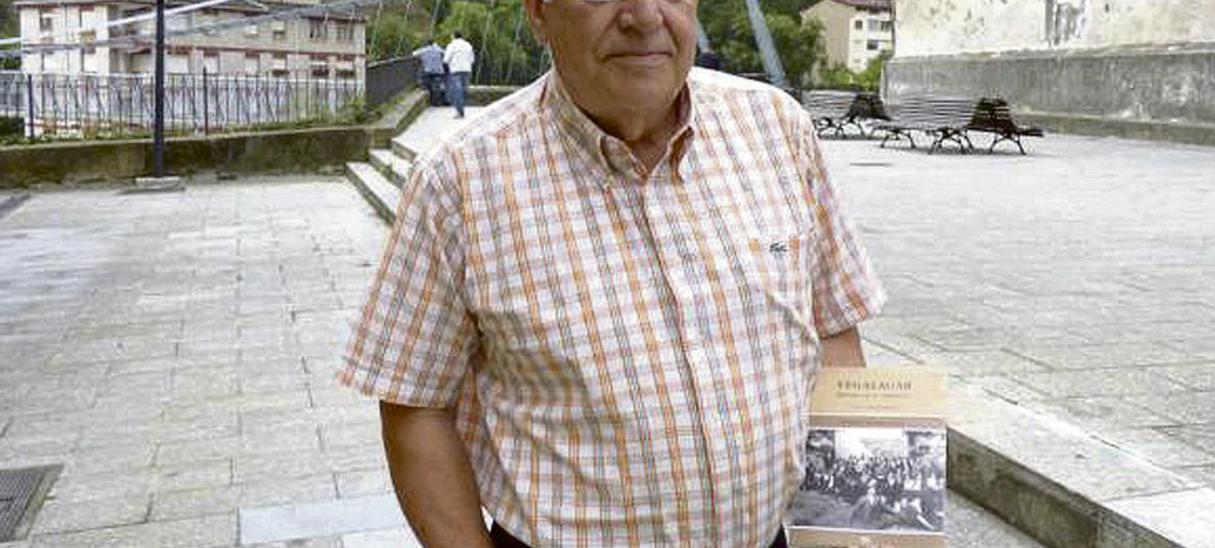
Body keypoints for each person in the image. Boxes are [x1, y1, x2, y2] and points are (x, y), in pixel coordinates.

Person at [338, 0, 885, 545]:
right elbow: (416, 404)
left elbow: (833, 328)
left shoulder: (777, 129)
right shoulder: (458, 178)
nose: (645, 15)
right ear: (537, 13)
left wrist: (853, 531)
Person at [443, 31, 475, 118]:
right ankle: (461, 107)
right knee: (464, 90)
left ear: (453, 36)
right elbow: (472, 59)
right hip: (467, 69)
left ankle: (460, 111)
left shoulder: (451, 45)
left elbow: (446, 59)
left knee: (457, 90)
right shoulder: (468, 45)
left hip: (455, 70)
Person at [413, 39, 447, 106]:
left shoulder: (424, 50)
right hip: (438, 71)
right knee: (438, 85)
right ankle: (439, 101)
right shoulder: (438, 49)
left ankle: (432, 100)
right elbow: (445, 53)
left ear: (427, 44)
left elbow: (414, 54)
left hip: (428, 71)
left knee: (428, 85)